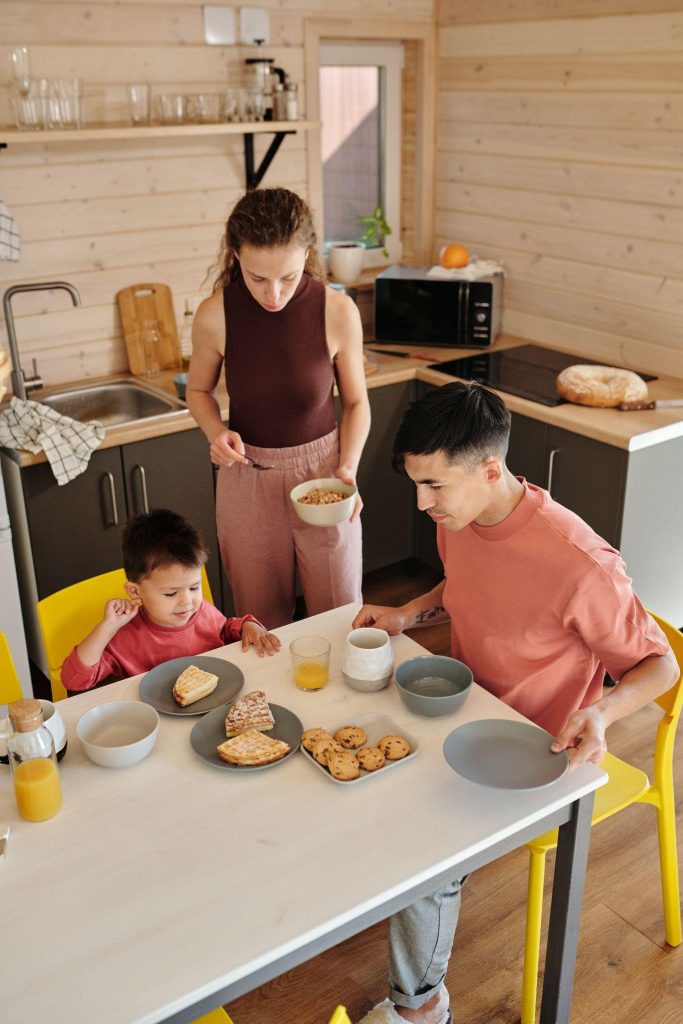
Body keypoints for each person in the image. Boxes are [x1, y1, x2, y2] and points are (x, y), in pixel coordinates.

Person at [352, 381, 678, 1024]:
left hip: (534, 751)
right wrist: (408, 613)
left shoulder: (581, 564)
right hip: (465, 706)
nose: (422, 504)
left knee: (427, 859)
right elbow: (465, 579)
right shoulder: (466, 515)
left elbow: (660, 663)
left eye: (434, 486)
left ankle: (421, 1008)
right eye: (416, 484)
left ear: (490, 468)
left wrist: (604, 713)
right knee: (355, 754)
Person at [186, 187, 371, 628]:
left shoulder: (338, 311)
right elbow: (198, 392)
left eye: (287, 278)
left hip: (325, 475)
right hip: (246, 478)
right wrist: (217, 434)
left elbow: (357, 402)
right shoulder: (215, 315)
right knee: (261, 626)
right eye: (257, 278)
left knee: (341, 617)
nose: (273, 295)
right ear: (236, 256)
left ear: (307, 255)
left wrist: (348, 467)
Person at [61, 508, 280, 693]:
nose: (187, 602)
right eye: (170, 594)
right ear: (135, 592)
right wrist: (107, 627)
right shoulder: (124, 638)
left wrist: (248, 625)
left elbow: (226, 629)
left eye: (194, 587)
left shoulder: (202, 612)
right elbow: (73, 681)